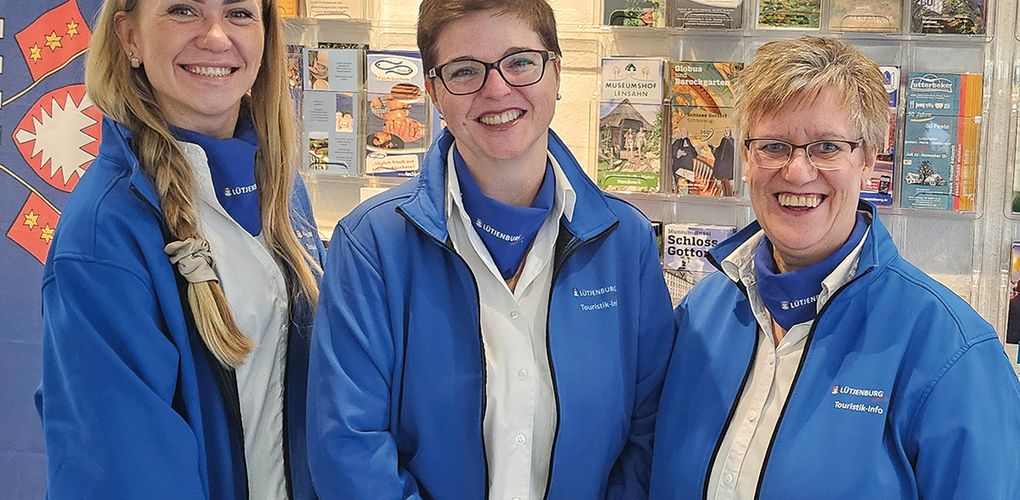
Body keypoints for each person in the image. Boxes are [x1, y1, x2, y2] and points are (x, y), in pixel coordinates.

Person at [307, 0, 675, 498]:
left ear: (556, 72)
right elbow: (348, 447)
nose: (497, 88)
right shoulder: (371, 244)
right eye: (464, 70)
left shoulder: (625, 241)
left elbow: (649, 432)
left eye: (520, 61)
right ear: (434, 93)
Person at [650, 36, 1020, 499]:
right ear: (745, 157)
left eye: (826, 147)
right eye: (773, 146)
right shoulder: (700, 314)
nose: (797, 172)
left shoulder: (951, 349)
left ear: (868, 159)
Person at [36, 1, 324, 498]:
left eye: (239, 14)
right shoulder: (105, 233)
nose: (216, 37)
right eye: (183, 10)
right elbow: (124, 473)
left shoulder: (281, 188)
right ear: (129, 37)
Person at [709, 128, 735, 196]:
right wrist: (713, 148)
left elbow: (734, 152)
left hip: (728, 165)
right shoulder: (723, 140)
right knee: (719, 183)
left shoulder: (732, 141)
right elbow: (719, 151)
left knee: (728, 184)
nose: (726, 132)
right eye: (725, 131)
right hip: (720, 164)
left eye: (727, 131)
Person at [670, 128, 697, 193]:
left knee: (686, 182)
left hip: (688, 166)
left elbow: (694, 153)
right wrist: (679, 153)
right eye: (682, 132)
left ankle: (686, 192)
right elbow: (673, 152)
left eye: (685, 132)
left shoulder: (688, 141)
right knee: (680, 181)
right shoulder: (677, 142)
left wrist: (695, 152)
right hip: (680, 166)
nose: (684, 134)